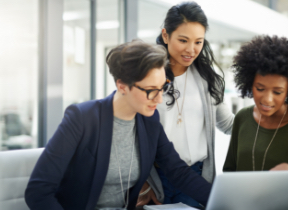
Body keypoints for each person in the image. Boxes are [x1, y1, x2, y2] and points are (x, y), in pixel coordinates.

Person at [24, 40, 212, 210]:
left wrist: (222, 200)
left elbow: (177, 171)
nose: (160, 99)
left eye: (163, 87)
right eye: (151, 90)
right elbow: (38, 192)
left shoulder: (149, 121)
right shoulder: (82, 118)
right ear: (122, 86)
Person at [137, 2, 234, 208]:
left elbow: (228, 123)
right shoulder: (147, 76)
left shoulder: (208, 79)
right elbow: (132, 132)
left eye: (198, 42)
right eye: (183, 40)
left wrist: (268, 117)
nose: (191, 49)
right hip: (155, 179)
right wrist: (143, 182)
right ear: (166, 36)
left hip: (196, 177)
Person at [223, 35, 288, 209]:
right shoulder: (242, 118)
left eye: (277, 92)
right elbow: (229, 174)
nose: (267, 99)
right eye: (260, 89)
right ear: (249, 83)